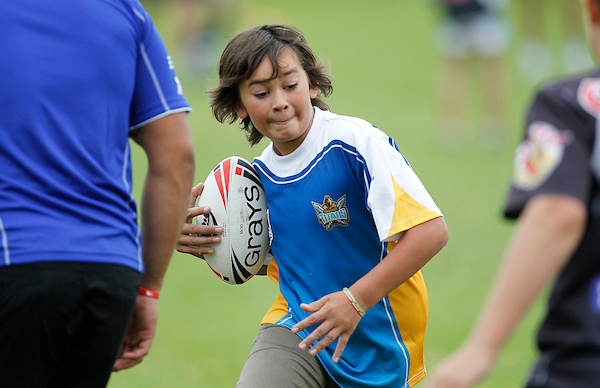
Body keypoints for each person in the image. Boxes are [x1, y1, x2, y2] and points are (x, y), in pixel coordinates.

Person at [178, 24, 449, 388]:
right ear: (239, 106)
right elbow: (279, 262)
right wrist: (212, 242)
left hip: (381, 340)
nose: (279, 101)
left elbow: (431, 231)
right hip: (299, 325)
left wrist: (354, 300)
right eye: (261, 92)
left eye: (290, 85)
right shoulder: (256, 179)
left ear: (312, 84)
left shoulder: (354, 144)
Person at [0, 1, 195, 387]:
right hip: (109, 273)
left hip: (13, 260)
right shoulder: (126, 12)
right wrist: (147, 287)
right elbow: (176, 155)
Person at [426, 0, 600, 386]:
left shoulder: (572, 104)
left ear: (590, 12)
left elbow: (559, 213)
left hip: (586, 356)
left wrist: (481, 348)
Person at [431, 0, 511, 151]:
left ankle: (493, 124)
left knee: (490, 68)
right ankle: (451, 125)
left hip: (486, 14)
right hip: (453, 15)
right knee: (454, 67)